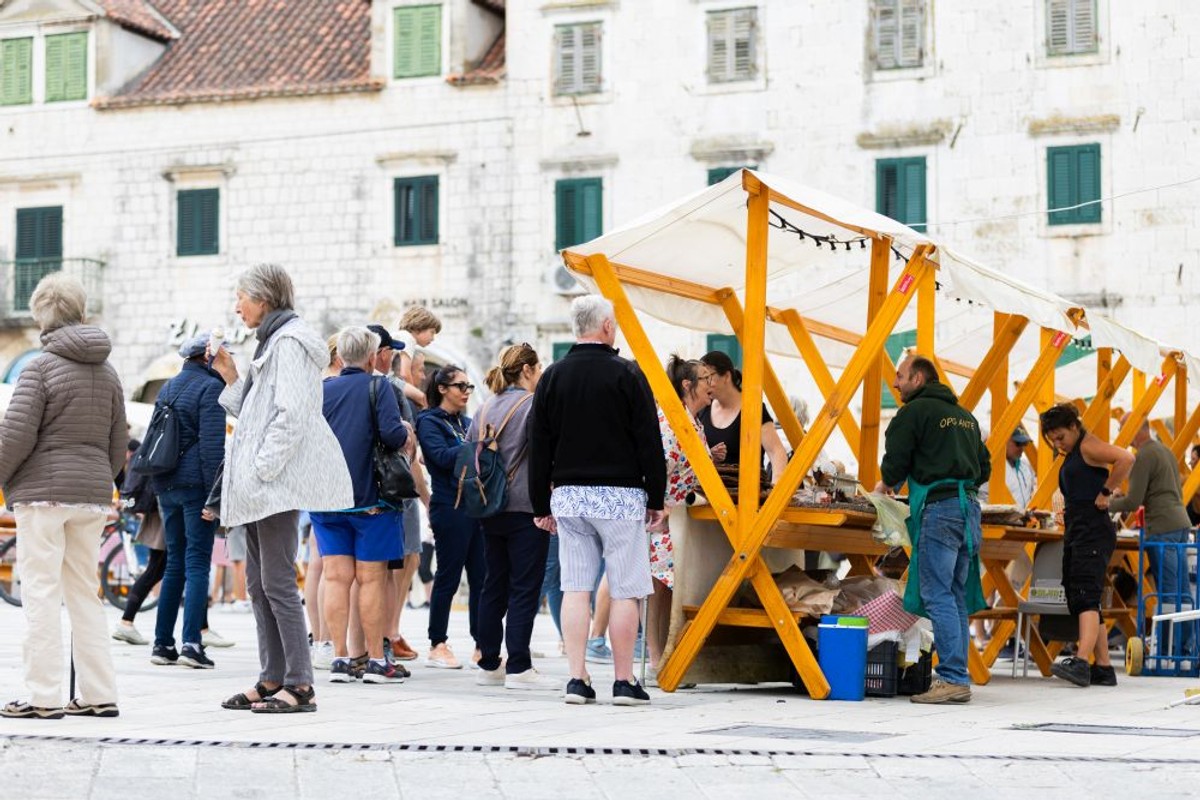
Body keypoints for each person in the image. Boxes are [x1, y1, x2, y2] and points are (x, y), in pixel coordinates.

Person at [209, 263, 353, 713]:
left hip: (273, 484)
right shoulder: (270, 342)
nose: (237, 306)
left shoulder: (288, 343)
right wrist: (231, 377)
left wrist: (262, 469)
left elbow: (291, 414)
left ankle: (300, 683)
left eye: (241, 297)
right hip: (260, 485)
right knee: (257, 581)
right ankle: (272, 676)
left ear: (264, 299)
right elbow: (252, 414)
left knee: (276, 581)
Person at [528, 295, 667, 706]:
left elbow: (540, 444)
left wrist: (540, 504)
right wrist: (655, 496)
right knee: (625, 589)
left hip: (569, 497)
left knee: (575, 587)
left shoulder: (553, 376)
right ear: (607, 326)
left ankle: (577, 679)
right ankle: (624, 681)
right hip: (621, 496)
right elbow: (648, 440)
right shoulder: (627, 374)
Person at [0, 273, 125, 719]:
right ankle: (98, 693)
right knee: (83, 594)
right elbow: (117, 442)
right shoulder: (108, 371)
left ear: (42, 317)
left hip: (42, 496)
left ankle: (43, 695)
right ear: (81, 312)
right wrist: (96, 481)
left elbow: (14, 436)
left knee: (40, 591)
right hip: (91, 495)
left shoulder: (38, 366)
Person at [873, 354, 990, 705]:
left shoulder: (913, 413)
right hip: (968, 507)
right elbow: (983, 468)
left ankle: (953, 678)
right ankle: (958, 676)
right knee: (953, 594)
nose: (895, 383)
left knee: (938, 593)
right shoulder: (966, 418)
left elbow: (895, 462)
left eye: (901, 376)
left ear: (919, 378)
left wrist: (886, 484)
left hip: (939, 508)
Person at [312, 326, 412, 684]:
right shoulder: (378, 386)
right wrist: (404, 428)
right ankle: (373, 660)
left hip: (326, 498)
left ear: (339, 357)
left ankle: (338, 657)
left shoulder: (321, 390)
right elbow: (392, 435)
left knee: (336, 577)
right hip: (371, 498)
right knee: (370, 579)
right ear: (372, 357)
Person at [472, 343, 558, 690]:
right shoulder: (533, 405)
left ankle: (489, 662)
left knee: (494, 583)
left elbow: (470, 451)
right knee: (524, 587)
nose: (539, 376)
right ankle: (519, 666)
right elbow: (543, 456)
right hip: (525, 506)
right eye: (538, 369)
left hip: (489, 507)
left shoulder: (486, 406)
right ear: (526, 370)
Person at [1038, 402, 1134, 688]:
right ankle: (1103, 667)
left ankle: (1080, 662)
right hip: (1080, 529)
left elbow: (1126, 458)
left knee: (1085, 593)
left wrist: (1106, 492)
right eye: (1052, 440)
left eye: (1061, 437)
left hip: (1093, 531)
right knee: (1083, 595)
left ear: (1074, 427)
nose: (1058, 444)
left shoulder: (1089, 445)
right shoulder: (1074, 452)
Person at [151, 334, 228, 670]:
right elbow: (213, 449)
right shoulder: (211, 389)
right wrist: (217, 497)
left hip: (165, 483)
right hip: (196, 485)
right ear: (207, 359)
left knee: (174, 563)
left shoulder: (168, 387)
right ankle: (192, 644)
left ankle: (162, 643)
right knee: (198, 562)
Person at [416, 364, 486, 669]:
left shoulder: (467, 422)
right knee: (448, 576)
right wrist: (478, 447)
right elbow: (442, 459)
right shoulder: (429, 422)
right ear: (442, 389)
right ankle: (437, 643)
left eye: (469, 387)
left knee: (482, 577)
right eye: (460, 386)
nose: (466, 393)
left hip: (475, 507)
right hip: (449, 505)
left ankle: (483, 644)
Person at [647, 355, 713, 673]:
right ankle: (655, 655)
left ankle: (668, 653)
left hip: (680, 517)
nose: (711, 385)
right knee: (660, 588)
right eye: (704, 379)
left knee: (670, 587)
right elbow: (660, 465)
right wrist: (661, 505)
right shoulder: (671, 421)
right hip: (666, 516)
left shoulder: (693, 422)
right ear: (687, 385)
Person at [1108, 417, 1195, 658]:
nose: (1121, 434)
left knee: (1167, 592)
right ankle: (1187, 648)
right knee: (1182, 592)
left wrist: (1105, 503)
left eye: (1123, 429)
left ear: (1136, 430)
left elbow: (1133, 501)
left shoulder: (1143, 456)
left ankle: (1168, 652)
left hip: (1162, 527)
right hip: (1180, 525)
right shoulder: (1164, 451)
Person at [697, 350, 782, 480]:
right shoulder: (703, 408)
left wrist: (776, 491)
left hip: (747, 495)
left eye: (709, 377)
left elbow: (776, 452)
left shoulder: (753, 408)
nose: (705, 384)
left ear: (726, 376)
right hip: (709, 494)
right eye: (702, 379)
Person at [395, 306, 442, 410]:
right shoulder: (408, 338)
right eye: (432, 332)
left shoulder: (403, 337)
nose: (433, 338)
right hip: (385, 378)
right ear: (418, 328)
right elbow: (405, 373)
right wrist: (414, 395)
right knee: (422, 398)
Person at [978, 427, 1037, 508]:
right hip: (999, 518)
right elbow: (981, 495)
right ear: (1004, 441)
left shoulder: (1026, 467)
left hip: (1024, 519)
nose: (1022, 448)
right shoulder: (990, 466)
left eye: (1025, 444)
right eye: (1018, 443)